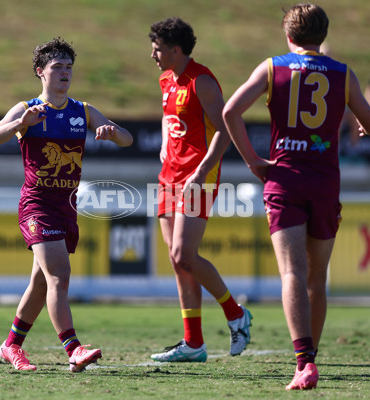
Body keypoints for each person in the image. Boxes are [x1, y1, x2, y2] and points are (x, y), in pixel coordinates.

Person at [222, 4, 370, 390]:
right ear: (322, 36)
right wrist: (360, 122)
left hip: (285, 178)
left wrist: (253, 161)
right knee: (316, 277)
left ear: (288, 36)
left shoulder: (273, 67)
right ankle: (310, 361)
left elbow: (230, 112)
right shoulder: (343, 74)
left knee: (291, 272)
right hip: (325, 182)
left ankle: (303, 361)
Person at [0, 37, 133, 372]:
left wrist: (111, 131)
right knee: (59, 277)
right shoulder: (28, 109)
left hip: (67, 206)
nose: (65, 73)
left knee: (41, 282)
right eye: (57, 67)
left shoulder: (83, 111)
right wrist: (20, 124)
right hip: (36, 204)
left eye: (69, 68)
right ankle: (74, 349)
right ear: (40, 72)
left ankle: (11, 346)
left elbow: (127, 139)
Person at [148, 17, 252, 362]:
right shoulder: (166, 78)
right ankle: (193, 343)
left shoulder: (202, 81)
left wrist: (202, 169)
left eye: (158, 48)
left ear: (176, 50)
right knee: (179, 263)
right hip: (168, 176)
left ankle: (236, 313)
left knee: (184, 255)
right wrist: (165, 144)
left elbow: (225, 130)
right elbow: (168, 118)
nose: (153, 54)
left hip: (197, 178)